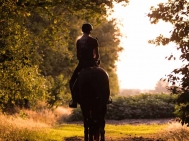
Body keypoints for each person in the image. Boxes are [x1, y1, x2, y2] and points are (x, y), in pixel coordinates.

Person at [69, 23, 100, 108]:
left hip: (82, 64)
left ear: (82, 30)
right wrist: (95, 60)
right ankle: (107, 97)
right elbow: (97, 56)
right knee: (103, 78)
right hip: (92, 63)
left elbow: (78, 56)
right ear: (90, 30)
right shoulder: (94, 40)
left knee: (72, 81)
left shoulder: (79, 41)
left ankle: (74, 101)